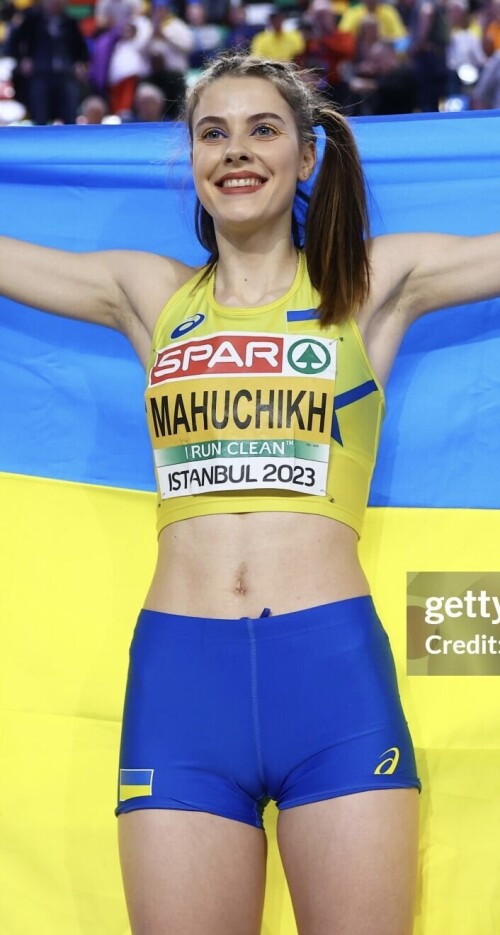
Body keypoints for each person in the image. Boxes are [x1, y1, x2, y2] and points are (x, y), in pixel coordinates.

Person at [0, 51, 499, 935]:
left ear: (307, 157)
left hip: (333, 681)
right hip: (181, 686)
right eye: (213, 132)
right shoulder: (148, 293)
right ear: (191, 157)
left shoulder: (368, 285)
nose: (237, 150)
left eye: (263, 129)